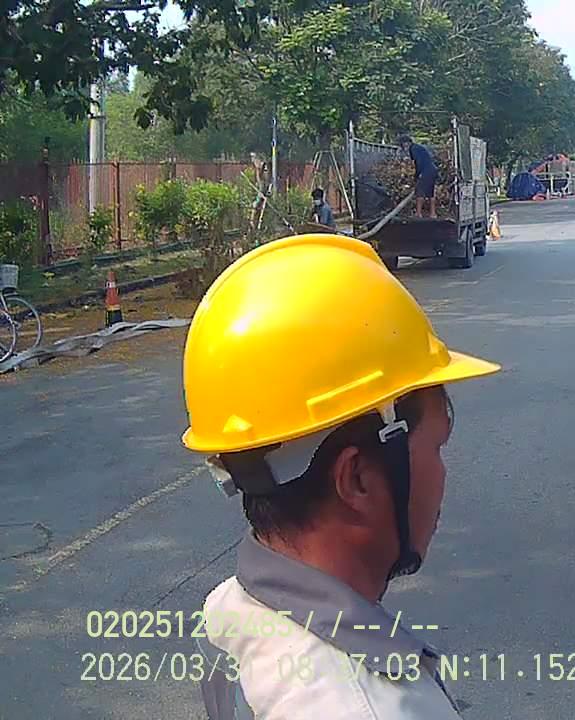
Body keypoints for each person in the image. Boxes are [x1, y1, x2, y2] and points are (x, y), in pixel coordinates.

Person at [185, 234, 500, 719]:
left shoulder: (233, 609)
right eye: (436, 447)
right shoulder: (372, 708)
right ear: (356, 479)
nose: (442, 473)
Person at [398, 134, 438, 218]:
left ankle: (418, 214)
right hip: (433, 170)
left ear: (406, 143)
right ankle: (433, 214)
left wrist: (417, 175)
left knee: (419, 192)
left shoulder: (413, 149)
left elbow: (418, 162)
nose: (402, 146)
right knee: (431, 193)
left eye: (402, 144)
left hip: (425, 171)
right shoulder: (418, 147)